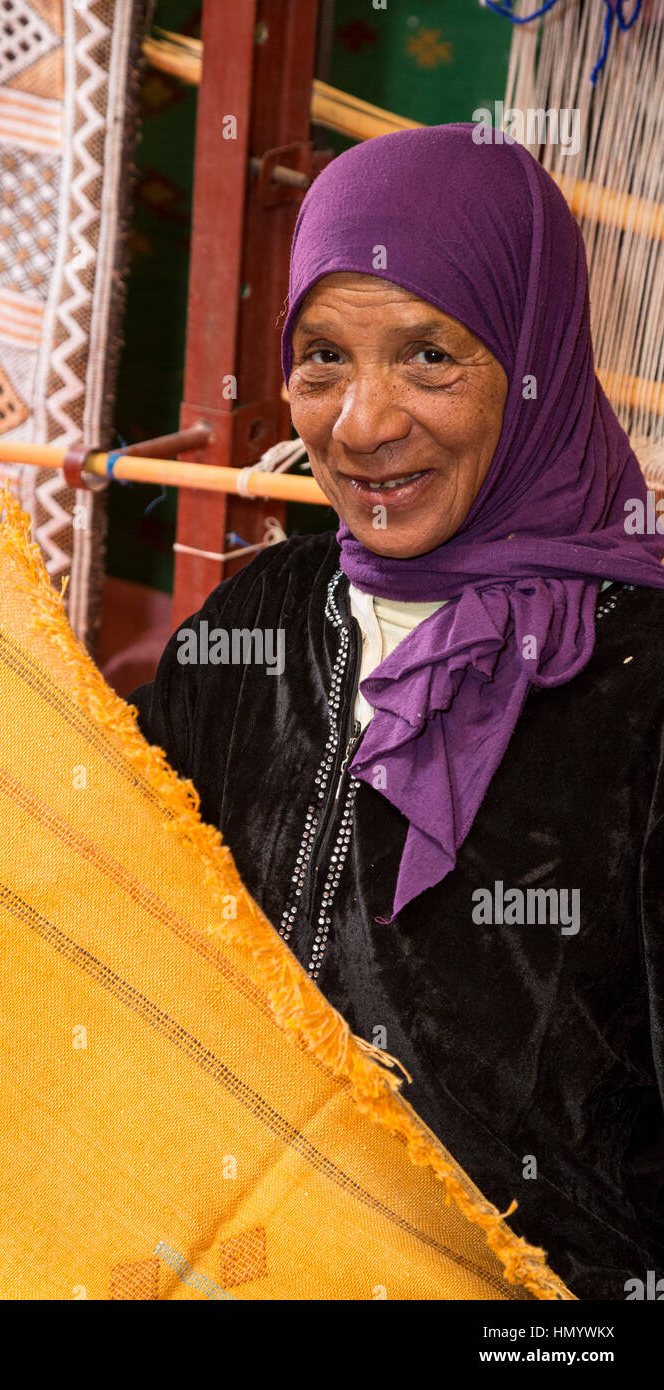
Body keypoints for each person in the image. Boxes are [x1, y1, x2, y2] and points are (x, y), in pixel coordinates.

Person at [128, 125, 664, 1301]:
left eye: (429, 357)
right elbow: (103, 908)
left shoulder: (641, 683)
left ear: (533, 358)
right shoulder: (255, 621)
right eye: (321, 358)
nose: (362, 426)